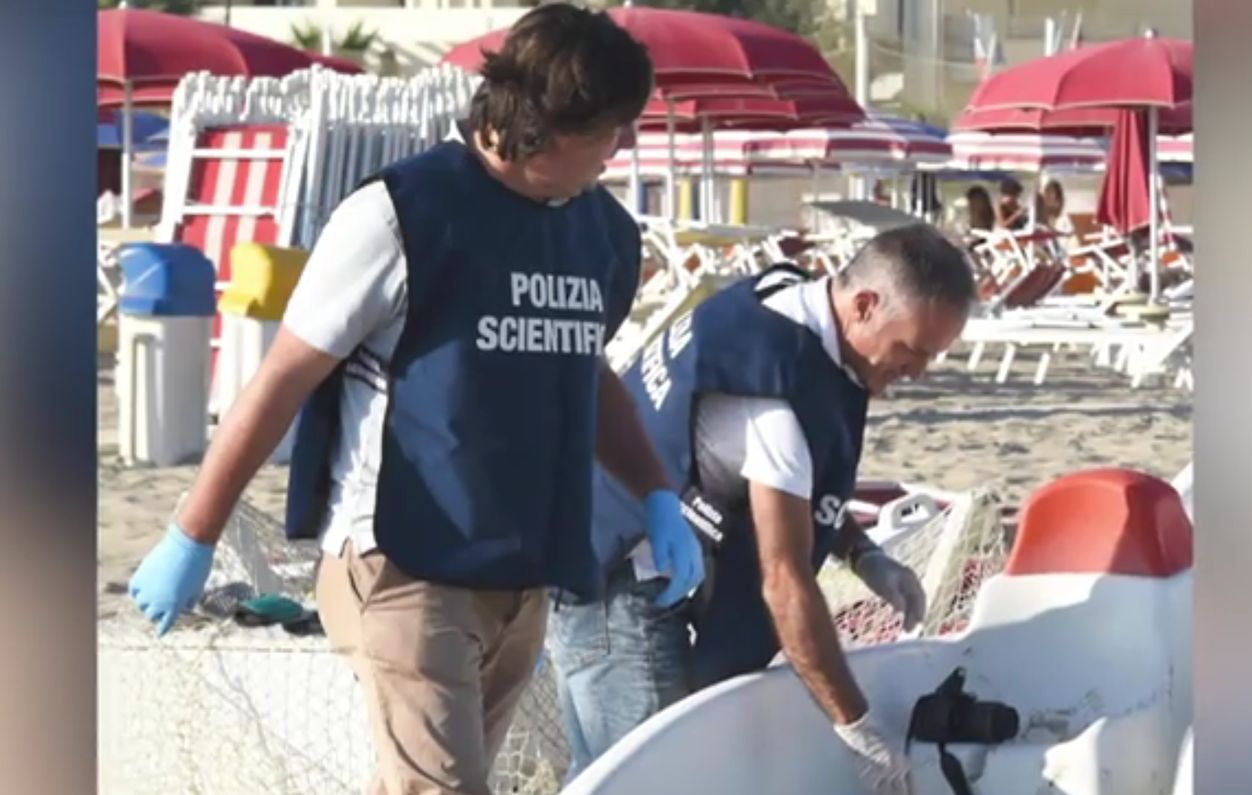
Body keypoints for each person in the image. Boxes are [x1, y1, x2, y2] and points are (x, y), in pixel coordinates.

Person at [126, 6, 706, 794]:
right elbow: (283, 378)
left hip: (522, 570)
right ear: (545, 127)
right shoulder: (400, 214)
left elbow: (586, 372)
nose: (623, 148)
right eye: (613, 128)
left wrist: (658, 496)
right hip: (402, 561)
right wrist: (193, 536)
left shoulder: (600, 231)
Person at [547, 224, 977, 795]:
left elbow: (783, 486)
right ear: (866, 305)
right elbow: (784, 584)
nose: (917, 372)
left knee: (601, 777)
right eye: (913, 350)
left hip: (597, 545)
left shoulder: (786, 296)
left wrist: (862, 552)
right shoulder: (774, 404)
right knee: (653, 782)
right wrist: (857, 728)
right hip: (618, 586)